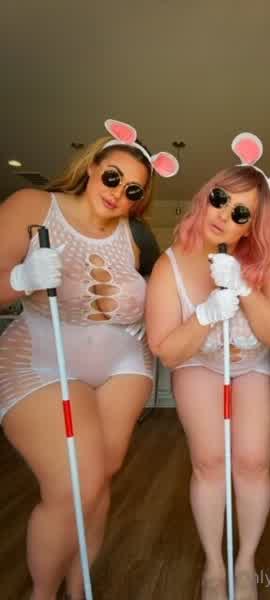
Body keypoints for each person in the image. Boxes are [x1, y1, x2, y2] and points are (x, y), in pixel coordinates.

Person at [0, 119, 178, 600]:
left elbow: (166, 293)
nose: (119, 192)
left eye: (133, 189)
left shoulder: (138, 237)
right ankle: (41, 593)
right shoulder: (34, 206)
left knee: (97, 485)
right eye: (113, 176)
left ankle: (80, 591)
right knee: (74, 486)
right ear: (93, 166)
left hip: (124, 365)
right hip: (42, 357)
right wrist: (21, 278)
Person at [146, 132, 270, 600]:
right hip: (197, 363)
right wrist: (207, 314)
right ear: (205, 196)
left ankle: (246, 561)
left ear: (251, 228)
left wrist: (246, 290)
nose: (224, 214)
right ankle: (215, 566)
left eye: (241, 213)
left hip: (253, 366)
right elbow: (167, 351)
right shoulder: (169, 265)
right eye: (220, 199)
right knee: (210, 462)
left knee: (252, 462)